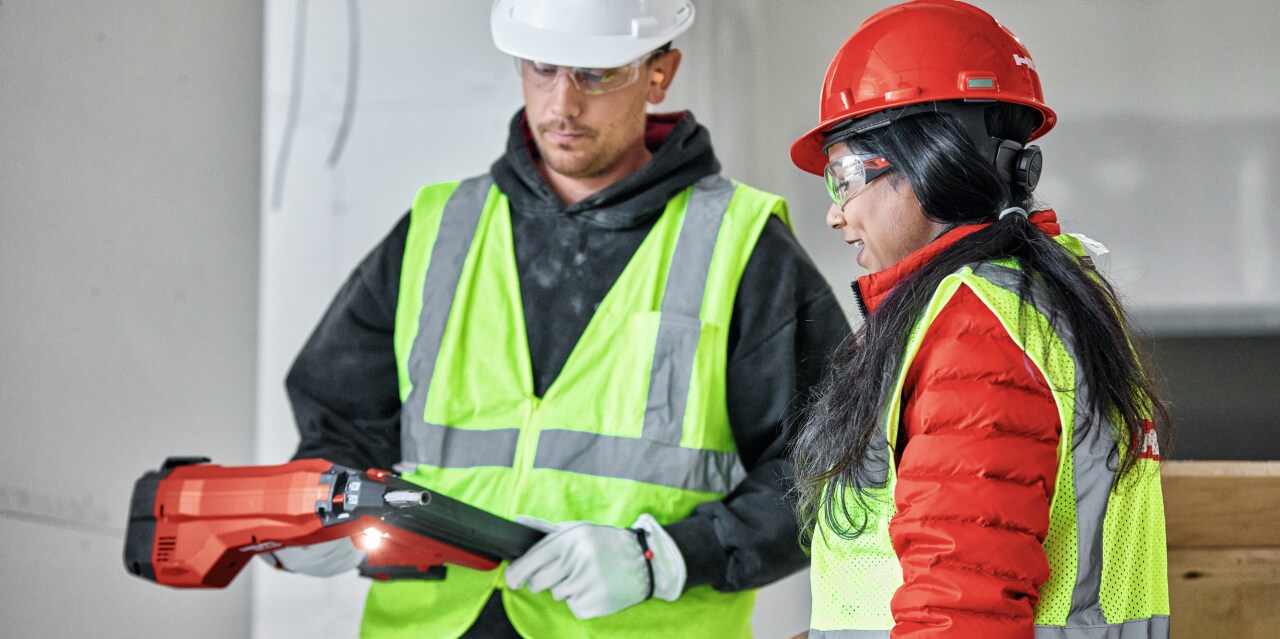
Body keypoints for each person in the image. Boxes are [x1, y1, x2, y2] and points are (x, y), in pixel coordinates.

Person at [275, 0, 849, 637]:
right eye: (542, 67)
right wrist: (319, 507)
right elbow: (339, 422)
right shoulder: (441, 229)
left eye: (596, 74)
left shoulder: (740, 245)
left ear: (660, 74)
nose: (561, 105)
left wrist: (668, 557)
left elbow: (830, 470)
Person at [786, 1, 1171, 638]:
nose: (836, 213)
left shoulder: (979, 329)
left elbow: (960, 615)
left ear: (932, 160)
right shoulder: (1041, 295)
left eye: (844, 176)